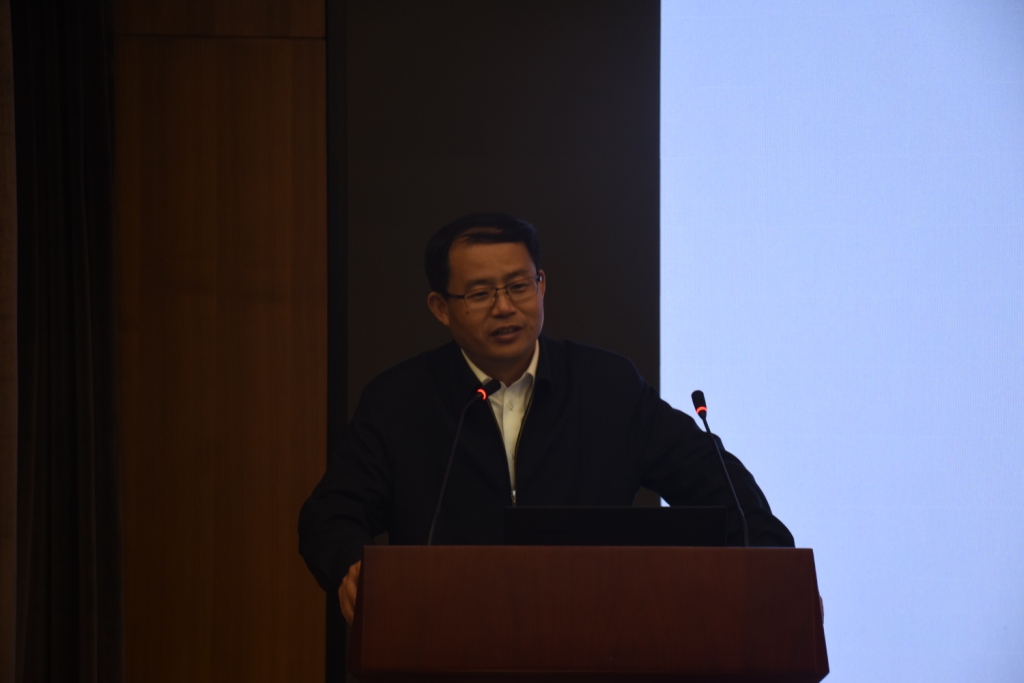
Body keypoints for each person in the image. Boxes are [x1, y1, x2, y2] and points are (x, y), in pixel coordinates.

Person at [299, 213, 793, 623]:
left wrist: (774, 570)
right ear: (441, 308)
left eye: (519, 286)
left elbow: (717, 485)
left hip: (594, 637)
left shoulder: (607, 386)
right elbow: (331, 515)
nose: (504, 307)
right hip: (447, 637)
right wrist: (351, 565)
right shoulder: (400, 400)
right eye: (480, 293)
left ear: (542, 286)